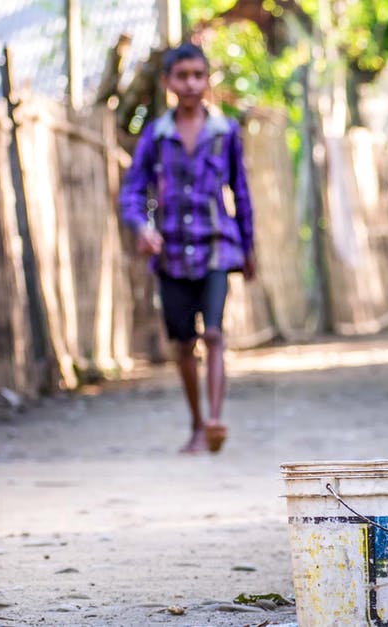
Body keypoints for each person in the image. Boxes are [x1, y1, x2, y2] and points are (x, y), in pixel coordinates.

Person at [120, 42, 256, 454]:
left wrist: (248, 247)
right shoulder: (156, 137)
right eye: (183, 76)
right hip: (171, 253)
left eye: (199, 75)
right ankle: (197, 423)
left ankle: (216, 420)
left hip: (217, 245)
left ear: (208, 79)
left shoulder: (226, 132)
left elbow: (241, 192)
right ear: (168, 83)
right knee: (183, 343)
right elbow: (131, 192)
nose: (192, 83)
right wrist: (143, 228)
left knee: (213, 333)